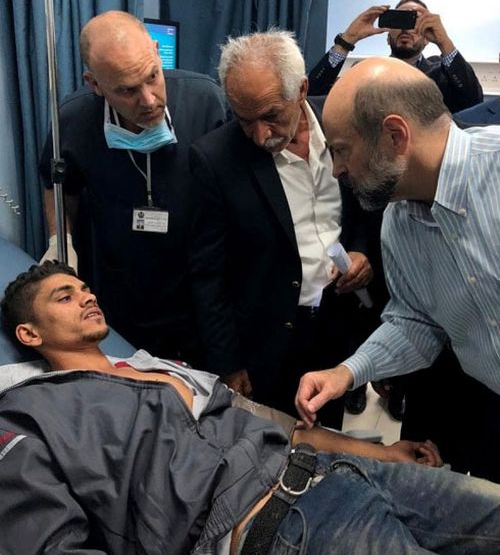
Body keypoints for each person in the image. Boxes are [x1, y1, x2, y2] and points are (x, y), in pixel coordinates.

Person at [4, 261, 500, 555]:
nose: (87, 298)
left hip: (334, 471)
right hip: (279, 522)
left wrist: (381, 454)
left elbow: (274, 424)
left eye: (85, 289)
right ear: (29, 334)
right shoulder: (29, 416)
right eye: (65, 297)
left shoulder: (158, 368)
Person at [295, 56, 500, 483]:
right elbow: (416, 322)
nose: (337, 170)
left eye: (341, 150)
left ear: (394, 135)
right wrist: (345, 372)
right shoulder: (398, 222)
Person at [188, 30, 374, 428]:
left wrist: (361, 253)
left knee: (329, 442)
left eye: (272, 115)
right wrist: (228, 362)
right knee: (270, 449)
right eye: (244, 119)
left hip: (337, 324)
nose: (260, 135)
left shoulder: (344, 126)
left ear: (302, 89)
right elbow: (208, 275)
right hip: (267, 340)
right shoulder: (214, 160)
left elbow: (367, 210)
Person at [39, 11, 228, 363]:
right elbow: (58, 185)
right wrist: (58, 240)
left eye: (152, 77)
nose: (149, 100)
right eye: (126, 91)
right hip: (121, 288)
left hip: (198, 289)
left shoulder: (207, 101)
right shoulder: (74, 121)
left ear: (157, 52)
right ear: (94, 84)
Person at [308, 0, 483, 114]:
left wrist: (445, 42)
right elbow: (313, 95)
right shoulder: (364, 72)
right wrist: (347, 40)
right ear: (388, 35)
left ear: (427, 37)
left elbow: (474, 102)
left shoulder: (443, 75)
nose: (406, 28)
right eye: (400, 20)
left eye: (415, 21)